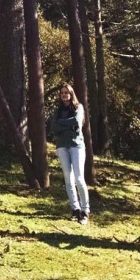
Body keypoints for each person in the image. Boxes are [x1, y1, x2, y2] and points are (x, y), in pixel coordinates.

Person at [51, 83, 90, 225]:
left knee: (79, 178)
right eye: (62, 93)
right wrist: (67, 125)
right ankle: (75, 209)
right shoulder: (58, 110)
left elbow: (77, 122)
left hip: (76, 146)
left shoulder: (78, 108)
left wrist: (62, 124)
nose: (64, 95)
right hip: (62, 146)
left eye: (66, 92)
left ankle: (85, 211)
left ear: (71, 94)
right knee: (68, 178)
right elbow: (53, 127)